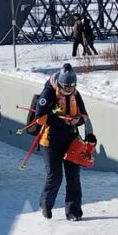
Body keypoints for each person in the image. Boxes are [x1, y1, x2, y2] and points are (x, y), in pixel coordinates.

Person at [35, 63, 89, 221]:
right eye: (66, 87)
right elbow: (40, 118)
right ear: (59, 83)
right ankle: (46, 202)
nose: (69, 89)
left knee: (73, 177)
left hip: (71, 141)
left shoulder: (75, 94)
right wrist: (61, 121)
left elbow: (84, 115)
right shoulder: (48, 93)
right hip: (50, 141)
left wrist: (77, 120)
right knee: (55, 176)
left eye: (72, 86)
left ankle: (73, 211)